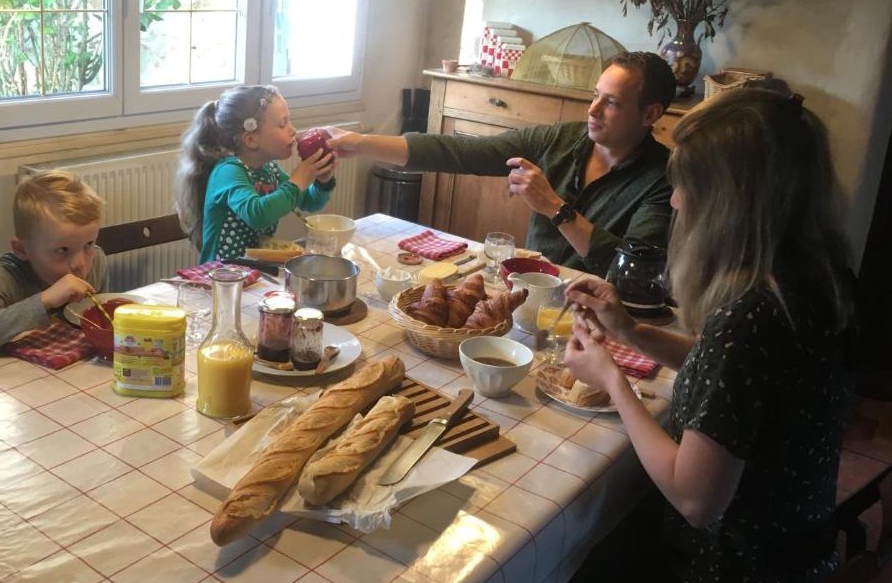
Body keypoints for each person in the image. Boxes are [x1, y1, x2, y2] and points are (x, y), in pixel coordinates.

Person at [563, 87, 856, 582]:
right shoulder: (815, 279)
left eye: (686, 185)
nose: (676, 201)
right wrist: (630, 330)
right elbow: (734, 377)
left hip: (729, 566)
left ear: (732, 202)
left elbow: (694, 498)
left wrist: (612, 380)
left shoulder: (748, 320)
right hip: (801, 549)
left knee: (576, 550)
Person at [327, 51, 676, 275]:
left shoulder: (663, 178)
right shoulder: (561, 140)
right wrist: (362, 144)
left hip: (598, 312)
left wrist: (555, 207)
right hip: (531, 288)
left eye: (611, 102)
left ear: (650, 114)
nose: (593, 109)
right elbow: (462, 152)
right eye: (595, 95)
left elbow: (635, 269)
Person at [175, 84, 337, 262]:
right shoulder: (228, 171)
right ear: (251, 139)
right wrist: (297, 180)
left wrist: (323, 182)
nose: (293, 130)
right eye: (283, 124)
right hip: (220, 277)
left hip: (255, 273)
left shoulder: (269, 169)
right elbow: (257, 214)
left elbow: (309, 201)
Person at [0, 171, 108, 359]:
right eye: (62, 250)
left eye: (88, 245)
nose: (80, 264)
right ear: (21, 249)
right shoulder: (5, 276)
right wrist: (44, 300)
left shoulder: (98, 260)